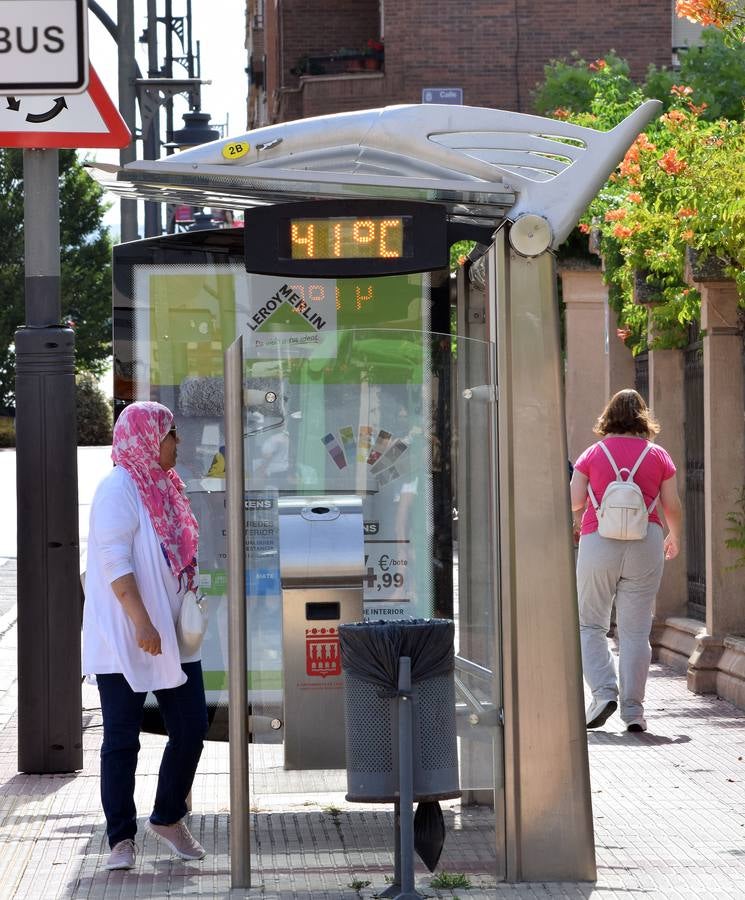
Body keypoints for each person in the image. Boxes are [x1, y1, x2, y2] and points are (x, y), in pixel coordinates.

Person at [82, 401, 208, 871]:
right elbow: (116, 562)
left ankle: (169, 816)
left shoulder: (166, 487)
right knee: (121, 738)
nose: (178, 442)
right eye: (172, 434)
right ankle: (120, 839)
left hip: (170, 635)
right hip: (126, 636)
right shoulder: (118, 489)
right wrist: (141, 622)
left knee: (192, 726)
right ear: (150, 438)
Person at [570, 389, 682, 733]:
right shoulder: (658, 455)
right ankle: (634, 711)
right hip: (645, 542)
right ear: (642, 417)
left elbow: (574, 502)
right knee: (635, 631)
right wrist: (674, 535)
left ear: (609, 416)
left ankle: (604, 693)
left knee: (591, 624)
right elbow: (672, 505)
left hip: (598, 541)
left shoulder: (592, 453)